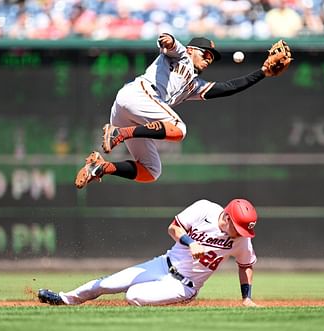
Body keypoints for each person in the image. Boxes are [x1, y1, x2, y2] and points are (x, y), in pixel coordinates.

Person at [75, 33, 284, 189]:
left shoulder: (194, 85)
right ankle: (120, 133)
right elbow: (170, 43)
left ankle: (99, 167)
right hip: (138, 95)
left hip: (130, 111)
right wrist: (168, 40)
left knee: (151, 171)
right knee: (179, 129)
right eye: (206, 53)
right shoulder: (182, 55)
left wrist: (262, 73)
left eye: (213, 57)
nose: (210, 58)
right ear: (192, 49)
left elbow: (228, 88)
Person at [38, 198, 260, 307]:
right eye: (238, 227)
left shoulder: (240, 241)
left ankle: (177, 301)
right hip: (163, 263)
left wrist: (247, 298)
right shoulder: (205, 209)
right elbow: (173, 227)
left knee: (133, 296)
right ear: (228, 217)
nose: (240, 234)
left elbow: (246, 265)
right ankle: (65, 299)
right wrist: (190, 242)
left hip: (184, 286)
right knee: (107, 284)